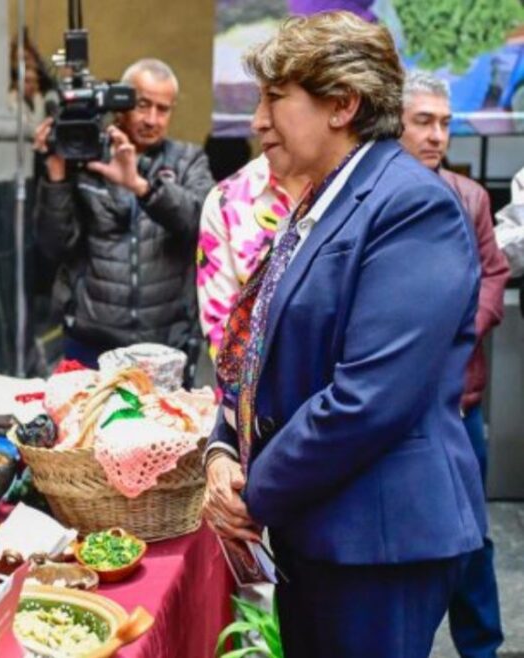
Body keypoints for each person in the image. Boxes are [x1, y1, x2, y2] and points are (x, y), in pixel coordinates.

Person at [202, 12, 487, 657]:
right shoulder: (320, 201)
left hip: (378, 543)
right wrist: (222, 450)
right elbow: (256, 357)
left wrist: (256, 493)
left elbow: (368, 398)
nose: (258, 121)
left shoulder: (411, 206)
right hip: (324, 531)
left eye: (276, 98)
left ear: (342, 104)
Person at [399, 70, 508, 658]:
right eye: (424, 121)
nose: (437, 135)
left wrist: (466, 328)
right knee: (407, 541)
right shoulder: (374, 196)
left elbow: (494, 271)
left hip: (459, 400)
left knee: (471, 536)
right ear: (395, 125)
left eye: (444, 123)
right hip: (395, 407)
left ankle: (482, 647)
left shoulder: (470, 197)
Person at [33, 58, 215, 371]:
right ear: (120, 103)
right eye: (143, 105)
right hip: (91, 340)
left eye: (163, 109)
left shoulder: (188, 160)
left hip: (165, 344)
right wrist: (55, 175)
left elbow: (200, 223)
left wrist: (141, 187)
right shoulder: (86, 160)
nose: (152, 119)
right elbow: (53, 246)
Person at [197, 155, 306, 365]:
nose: (260, 124)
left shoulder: (360, 184)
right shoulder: (227, 199)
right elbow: (222, 333)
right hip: (257, 388)